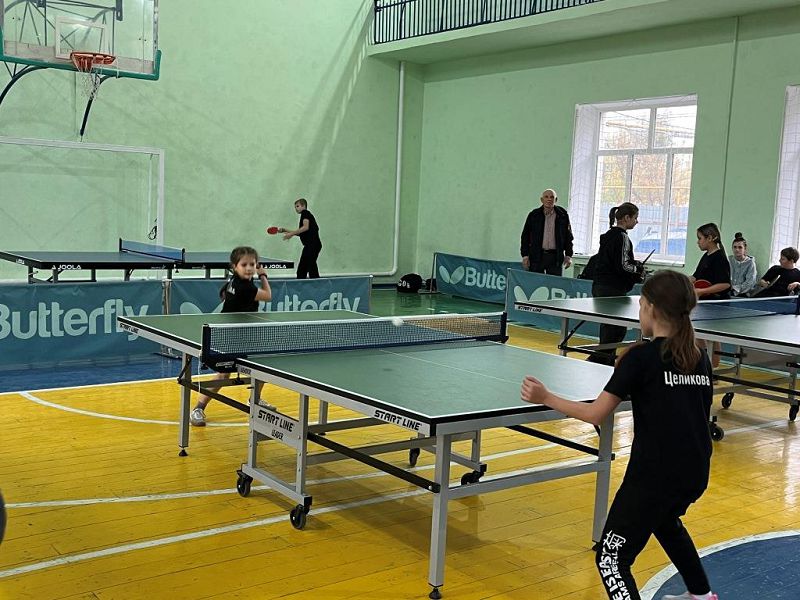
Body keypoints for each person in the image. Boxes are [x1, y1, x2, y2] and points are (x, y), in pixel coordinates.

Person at [521, 270, 717, 600]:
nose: (639, 312)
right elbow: (695, 413)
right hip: (695, 471)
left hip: (653, 476)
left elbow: (595, 414)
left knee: (611, 559)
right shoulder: (699, 357)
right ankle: (701, 595)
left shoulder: (640, 358)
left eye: (641, 305)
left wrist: (546, 397)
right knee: (665, 520)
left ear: (651, 308)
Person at [190, 246, 272, 427]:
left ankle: (255, 400)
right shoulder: (245, 287)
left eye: (252, 264)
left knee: (263, 367)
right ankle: (198, 408)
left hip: (246, 333)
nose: (249, 268)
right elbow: (267, 295)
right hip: (231, 336)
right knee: (223, 374)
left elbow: (224, 292)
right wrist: (263, 275)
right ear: (235, 266)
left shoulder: (235, 279)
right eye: (244, 265)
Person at [588, 202, 644, 366]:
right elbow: (624, 265)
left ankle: (604, 360)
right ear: (626, 218)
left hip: (599, 285)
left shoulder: (607, 235)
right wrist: (638, 270)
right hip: (612, 288)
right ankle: (598, 360)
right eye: (635, 218)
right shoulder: (622, 237)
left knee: (609, 326)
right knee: (616, 328)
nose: (636, 221)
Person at [520, 188, 574, 276]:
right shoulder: (534, 215)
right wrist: (525, 255)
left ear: (556, 200)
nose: (549, 199)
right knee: (535, 281)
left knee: (554, 282)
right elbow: (525, 236)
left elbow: (568, 237)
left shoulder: (562, 215)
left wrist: (568, 255)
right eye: (546, 197)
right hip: (537, 256)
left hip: (555, 257)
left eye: (552, 197)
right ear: (542, 200)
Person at [279, 198, 322, 279]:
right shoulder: (305, 215)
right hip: (311, 245)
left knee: (307, 267)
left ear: (303, 206)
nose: (296, 208)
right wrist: (285, 230)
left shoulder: (305, 213)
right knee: (306, 267)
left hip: (312, 245)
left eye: (297, 206)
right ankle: (308, 280)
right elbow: (300, 232)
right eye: (295, 207)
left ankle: (314, 282)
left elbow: (305, 227)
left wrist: (291, 234)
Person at [691, 223, 731, 301]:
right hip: (705, 301)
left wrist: (701, 291)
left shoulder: (719, 258)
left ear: (709, 238)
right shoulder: (706, 256)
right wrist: (679, 280)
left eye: (699, 238)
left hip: (717, 302)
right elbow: (695, 277)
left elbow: (725, 285)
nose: (698, 242)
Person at [727, 233, 758, 297]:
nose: (737, 250)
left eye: (740, 247)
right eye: (735, 247)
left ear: (745, 249)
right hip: (727, 292)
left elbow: (750, 283)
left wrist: (735, 289)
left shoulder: (750, 263)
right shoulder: (728, 260)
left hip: (743, 294)